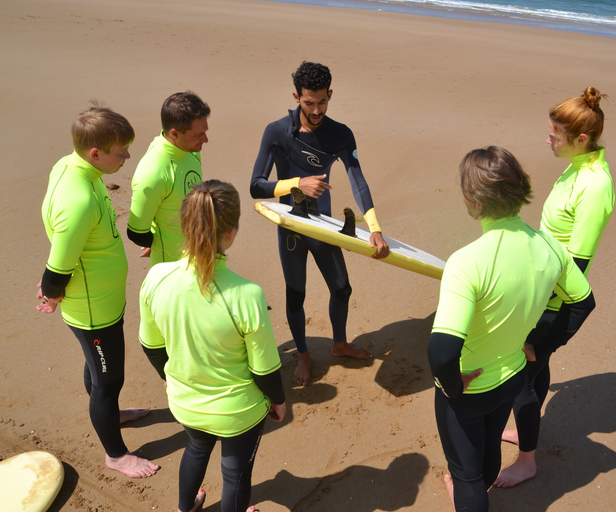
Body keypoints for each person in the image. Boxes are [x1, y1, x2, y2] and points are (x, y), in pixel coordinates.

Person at [429, 146, 595, 512]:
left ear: (475, 202)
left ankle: (470, 495)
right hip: (514, 379)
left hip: (470, 390)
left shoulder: (466, 262)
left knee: (467, 477)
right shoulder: (551, 247)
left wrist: (452, 387)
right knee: (488, 449)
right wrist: (542, 345)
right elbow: (583, 302)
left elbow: (441, 354)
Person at [139, 180, 286, 512]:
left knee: (195, 448)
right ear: (230, 233)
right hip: (238, 413)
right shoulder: (247, 295)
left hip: (186, 403)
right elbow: (264, 369)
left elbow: (151, 345)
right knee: (235, 475)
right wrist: (278, 401)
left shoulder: (156, 279)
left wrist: (171, 378)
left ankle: (185, 507)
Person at [496, 87, 614, 487]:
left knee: (523, 375)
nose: (547, 140)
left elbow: (575, 267)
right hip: (541, 287)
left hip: (554, 299)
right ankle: (528, 432)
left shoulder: (595, 185)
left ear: (581, 139)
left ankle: (526, 461)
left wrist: (546, 325)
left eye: (554, 136)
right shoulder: (577, 164)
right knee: (537, 369)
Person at [36, 106, 160, 478]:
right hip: (93, 309)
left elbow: (62, 241)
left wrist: (51, 287)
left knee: (100, 371)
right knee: (108, 379)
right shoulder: (79, 200)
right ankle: (116, 454)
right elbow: (59, 264)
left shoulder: (70, 165)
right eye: (121, 152)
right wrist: (50, 290)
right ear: (96, 153)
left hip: (99, 299)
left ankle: (111, 413)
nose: (127, 157)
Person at [250, 61, 389, 386]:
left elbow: (359, 181)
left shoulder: (339, 134)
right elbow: (256, 185)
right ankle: (303, 354)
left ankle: (339, 344)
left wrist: (376, 228)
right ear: (296, 96)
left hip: (323, 225)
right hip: (292, 229)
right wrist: (297, 183)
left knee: (342, 288)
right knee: (295, 295)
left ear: (330, 94)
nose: (316, 110)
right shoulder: (277, 132)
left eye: (322, 102)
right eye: (309, 103)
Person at [127, 91, 210, 265]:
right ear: (175, 133)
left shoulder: (189, 149)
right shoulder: (153, 172)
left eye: (204, 131)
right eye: (198, 135)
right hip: (171, 270)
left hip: (199, 258)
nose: (206, 139)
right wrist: (160, 244)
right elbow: (136, 232)